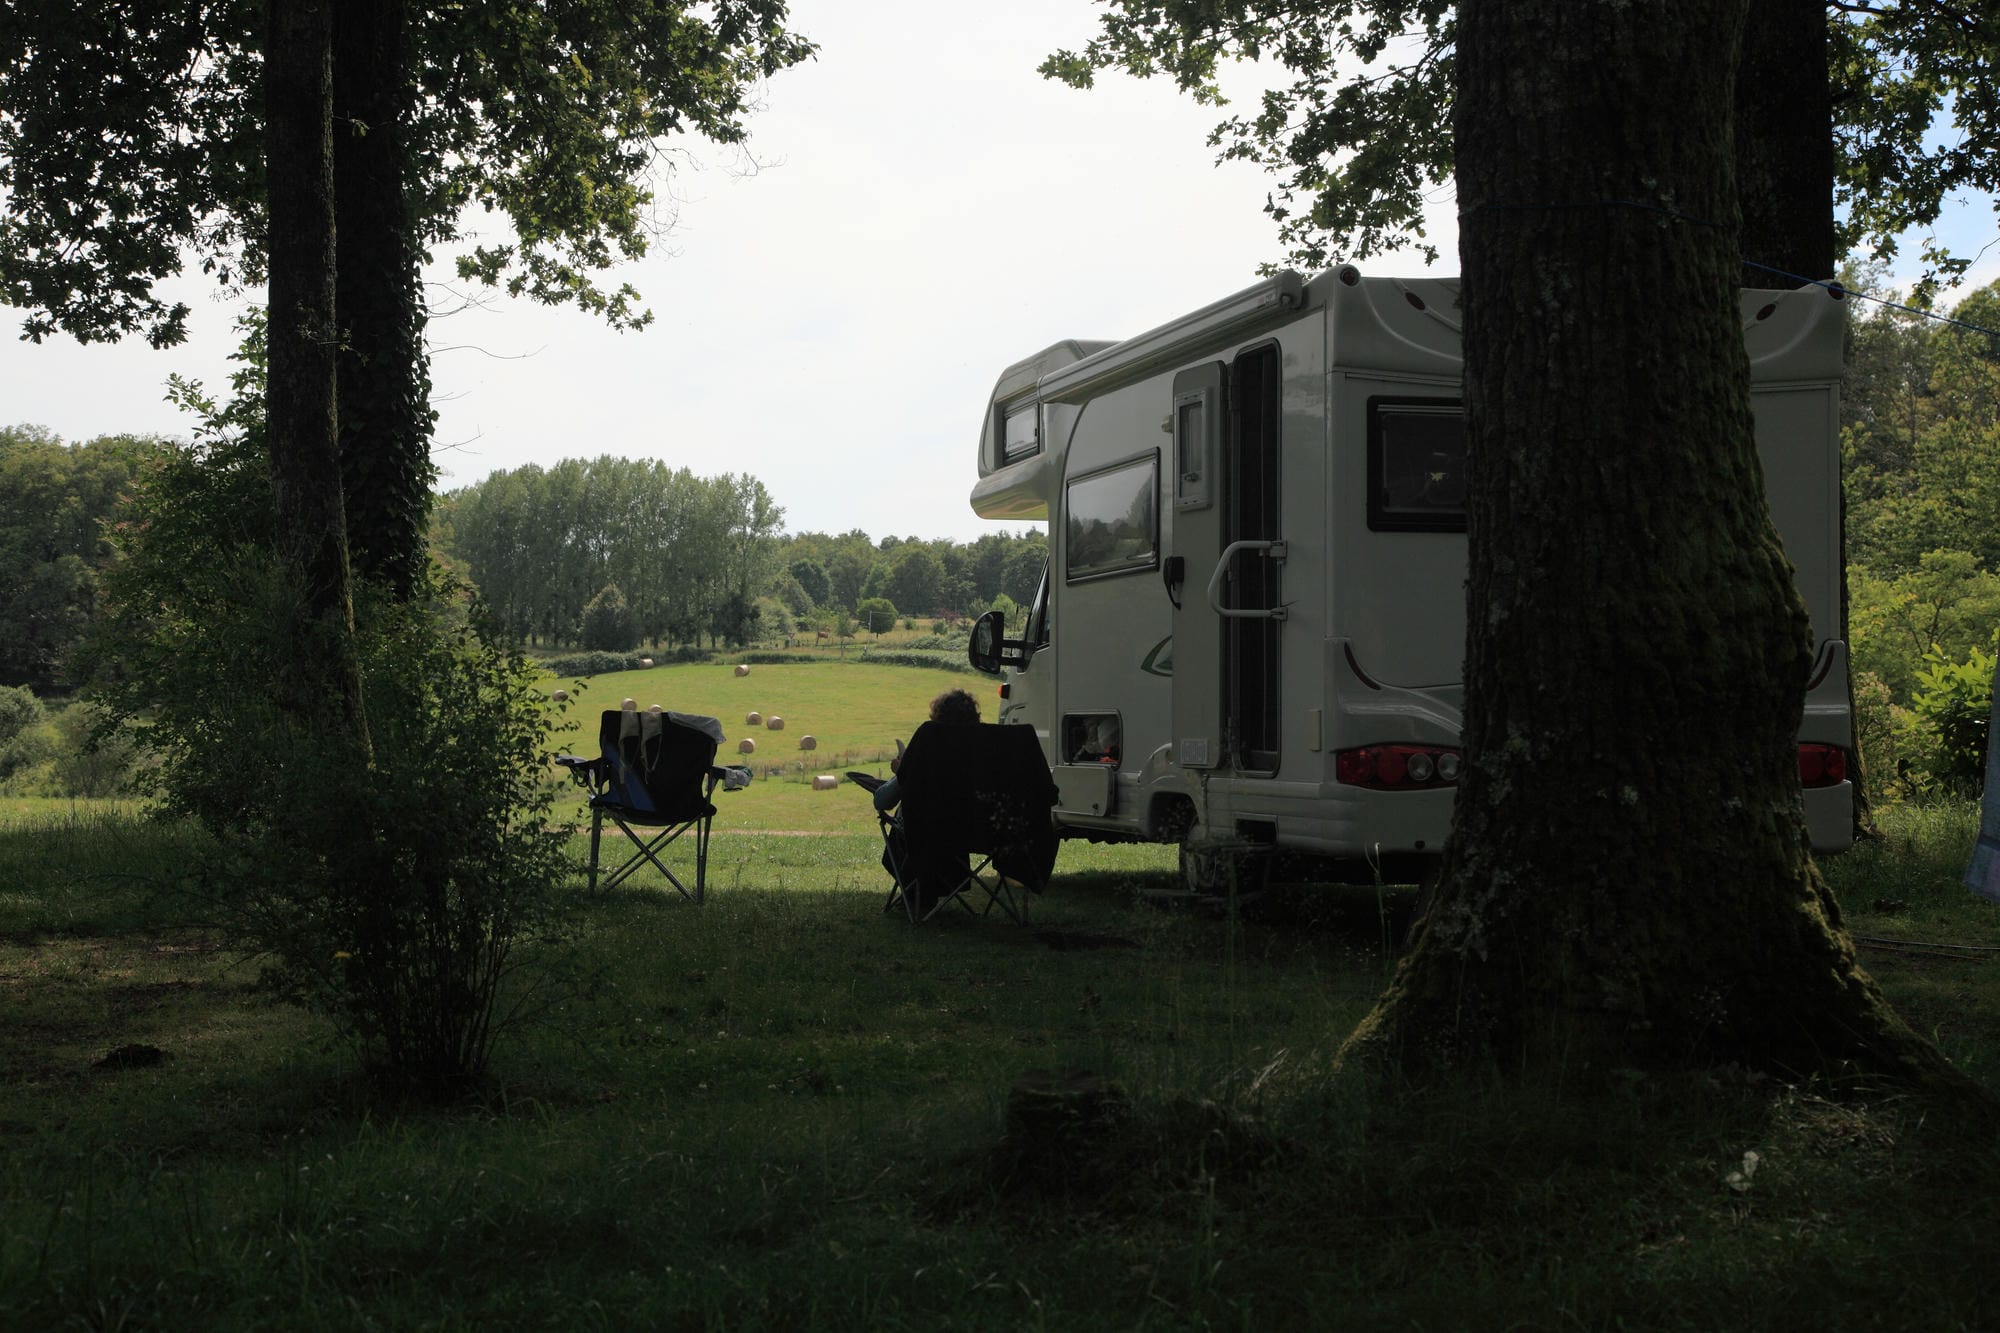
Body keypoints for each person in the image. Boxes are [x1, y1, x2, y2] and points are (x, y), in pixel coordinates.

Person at [875, 687, 981, 913]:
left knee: (907, 818)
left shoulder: (928, 741)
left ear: (937, 718)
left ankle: (919, 893)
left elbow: (882, 801)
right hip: (975, 831)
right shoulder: (984, 748)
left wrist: (902, 772)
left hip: (924, 832)